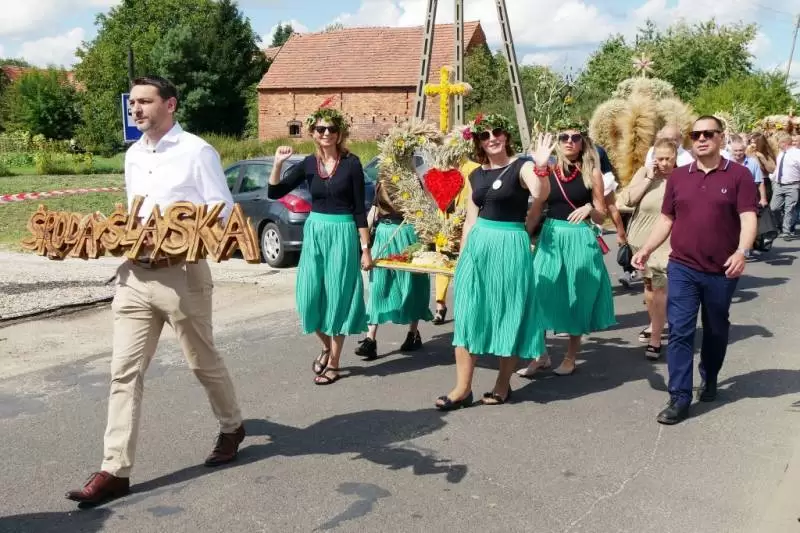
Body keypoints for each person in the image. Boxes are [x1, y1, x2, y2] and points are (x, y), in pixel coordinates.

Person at [66, 76, 245, 505]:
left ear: (170, 104)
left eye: (145, 102)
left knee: (202, 362)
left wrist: (176, 232)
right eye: (133, 103)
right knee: (123, 372)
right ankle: (115, 469)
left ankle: (232, 426)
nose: (136, 110)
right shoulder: (133, 155)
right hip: (134, 277)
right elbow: (135, 211)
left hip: (182, 275)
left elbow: (223, 213)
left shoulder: (197, 151)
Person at [632, 115, 757, 425]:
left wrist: (742, 251)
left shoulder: (739, 175)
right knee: (680, 331)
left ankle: (710, 375)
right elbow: (666, 219)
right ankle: (679, 397)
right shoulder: (679, 177)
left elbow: (748, 217)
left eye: (708, 134)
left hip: (721, 270)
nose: (701, 139)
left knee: (715, 329)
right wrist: (646, 249)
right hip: (683, 266)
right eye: (696, 134)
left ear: (721, 137)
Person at [435, 114, 550, 410]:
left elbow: (539, 194)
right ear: (478, 142)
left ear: (506, 135)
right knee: (468, 315)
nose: (491, 138)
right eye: (484, 135)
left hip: (510, 246)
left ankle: (502, 385)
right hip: (478, 247)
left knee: (508, 314)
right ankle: (462, 389)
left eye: (496, 131)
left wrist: (541, 166)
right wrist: (463, 258)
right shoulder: (476, 174)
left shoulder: (522, 166)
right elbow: (470, 220)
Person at [269, 106, 371, 385]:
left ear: (339, 133)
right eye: (321, 129)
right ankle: (326, 347)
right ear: (313, 133)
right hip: (315, 231)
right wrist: (277, 164)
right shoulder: (307, 164)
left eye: (332, 129)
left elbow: (359, 209)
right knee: (308, 298)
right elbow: (275, 191)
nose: (326, 133)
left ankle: (335, 364)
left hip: (343, 232)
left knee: (338, 297)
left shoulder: (351, 163)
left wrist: (365, 249)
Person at [517, 120, 616, 378]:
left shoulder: (592, 173)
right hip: (551, 237)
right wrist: (524, 236)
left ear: (583, 142)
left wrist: (589, 209)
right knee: (537, 293)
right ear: (557, 142)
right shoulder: (548, 171)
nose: (569, 141)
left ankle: (571, 357)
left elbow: (601, 214)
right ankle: (540, 355)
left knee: (576, 296)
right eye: (564, 137)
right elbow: (536, 208)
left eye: (575, 137)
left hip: (579, 238)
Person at [354, 179, 432, 359]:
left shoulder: (413, 180)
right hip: (384, 234)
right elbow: (373, 212)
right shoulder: (382, 181)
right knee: (378, 286)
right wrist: (364, 247)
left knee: (412, 285)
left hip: (407, 233)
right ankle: (370, 340)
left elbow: (425, 210)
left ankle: (413, 334)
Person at [619, 139, 677, 359]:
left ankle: (655, 338)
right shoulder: (645, 173)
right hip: (640, 243)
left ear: (675, 157)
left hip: (666, 242)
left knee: (660, 288)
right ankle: (655, 324)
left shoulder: (681, 177)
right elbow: (628, 200)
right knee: (649, 286)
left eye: (668, 158)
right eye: (659, 159)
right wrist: (649, 178)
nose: (664, 163)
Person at [433, 157, 480, 325]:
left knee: (465, 265)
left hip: (465, 224)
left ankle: (466, 306)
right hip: (444, 224)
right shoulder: (439, 169)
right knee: (442, 264)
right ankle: (440, 306)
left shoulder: (474, 168)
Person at [769, 132, 800, 239]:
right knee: (774, 208)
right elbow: (778, 168)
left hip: (793, 185)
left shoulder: (797, 154)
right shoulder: (781, 154)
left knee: (789, 208)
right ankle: (781, 224)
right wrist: (772, 177)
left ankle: (786, 231)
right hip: (779, 185)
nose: (777, 145)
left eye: (779, 143)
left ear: (785, 143)